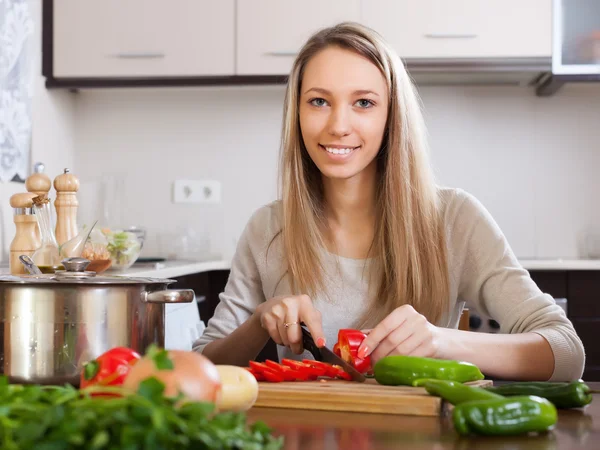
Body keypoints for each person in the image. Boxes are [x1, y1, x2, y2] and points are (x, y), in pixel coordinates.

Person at [194, 22, 585, 382]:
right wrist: (259, 322)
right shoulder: (268, 229)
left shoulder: (455, 220)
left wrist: (441, 341)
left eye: (363, 102)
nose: (338, 126)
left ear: (391, 115)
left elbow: (567, 353)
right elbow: (200, 368)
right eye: (318, 101)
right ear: (296, 113)